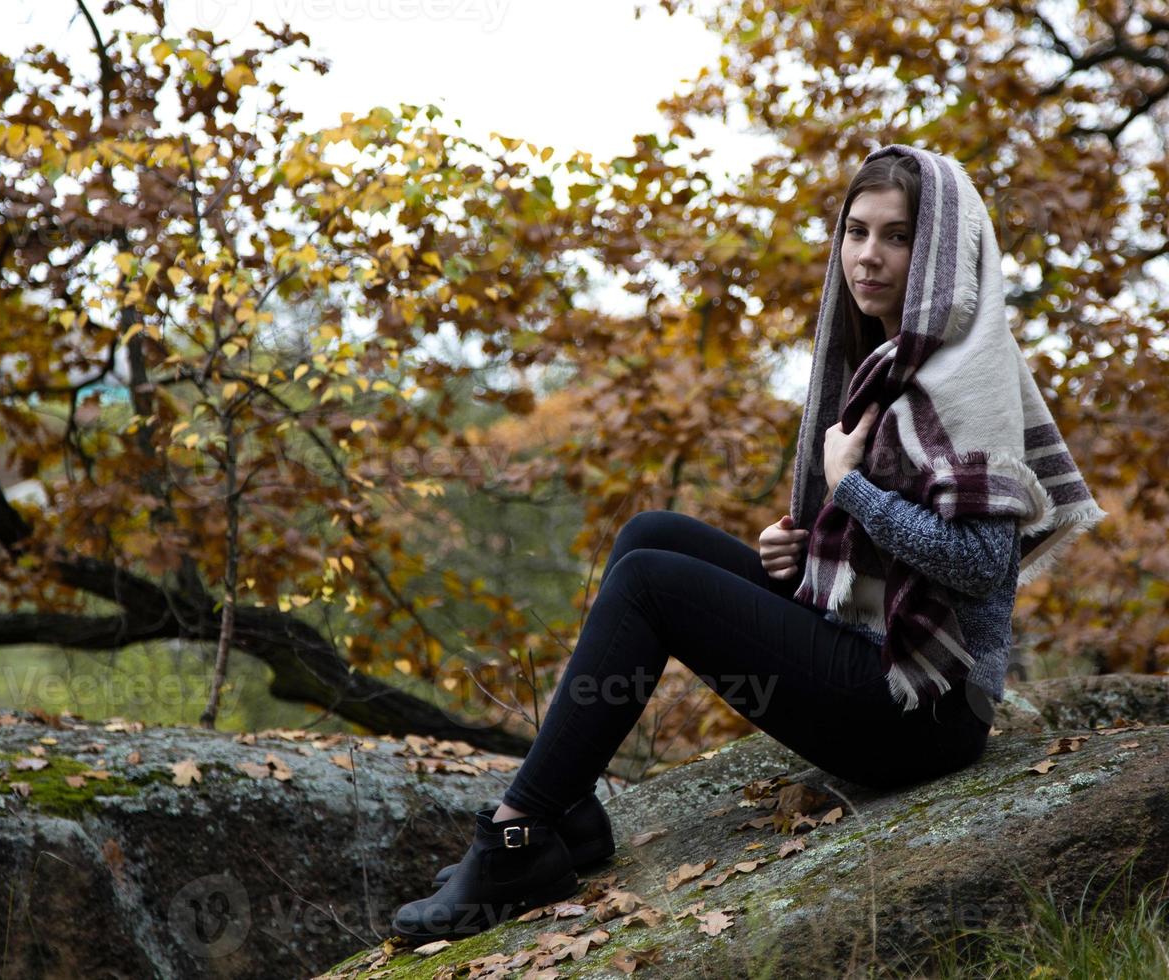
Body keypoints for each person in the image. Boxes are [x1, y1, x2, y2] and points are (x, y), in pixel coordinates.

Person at [389, 145, 1107, 945]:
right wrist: (804, 560)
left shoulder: (963, 376)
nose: (868, 257)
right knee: (647, 536)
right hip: (877, 655)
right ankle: (571, 813)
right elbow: (888, 561)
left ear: (940, 251)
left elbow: (981, 567)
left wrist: (851, 492)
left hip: (921, 712)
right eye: (856, 231)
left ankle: (514, 836)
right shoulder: (885, 359)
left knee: (651, 585)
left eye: (897, 237)